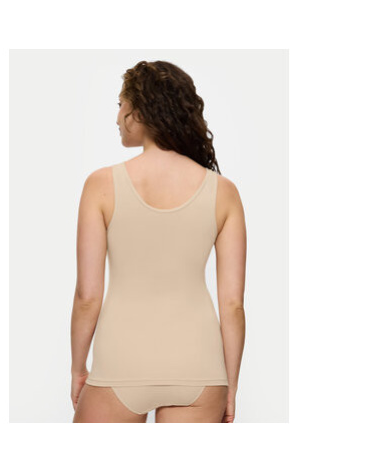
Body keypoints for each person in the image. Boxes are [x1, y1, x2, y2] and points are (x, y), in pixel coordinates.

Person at [70, 60, 246, 423]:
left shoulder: (100, 185)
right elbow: (232, 305)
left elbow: (87, 296)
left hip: (121, 362)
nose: (117, 117)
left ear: (140, 110)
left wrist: (77, 367)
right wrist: (230, 386)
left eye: (120, 104)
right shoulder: (224, 192)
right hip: (199, 367)